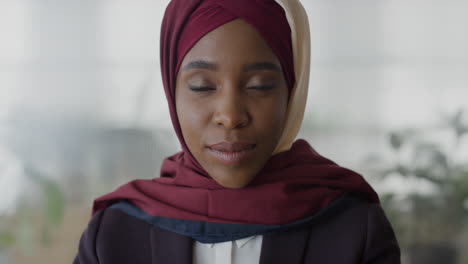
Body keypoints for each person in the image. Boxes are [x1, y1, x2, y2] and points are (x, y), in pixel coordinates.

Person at [73, 0, 401, 263]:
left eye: (260, 86)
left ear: (293, 92)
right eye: (202, 86)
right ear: (172, 93)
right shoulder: (115, 235)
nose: (230, 116)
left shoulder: (355, 229)